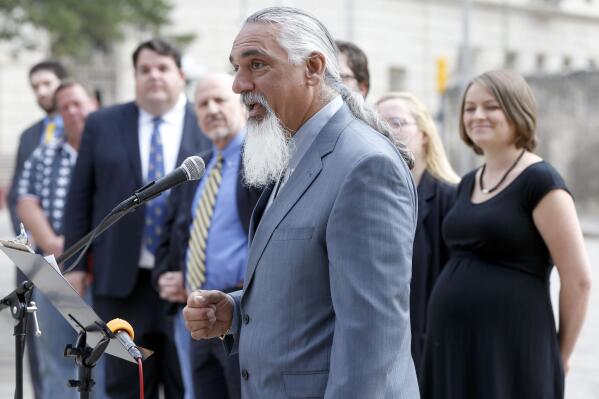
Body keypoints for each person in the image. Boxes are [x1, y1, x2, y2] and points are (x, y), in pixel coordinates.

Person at [184, 6, 420, 398]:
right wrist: (236, 312)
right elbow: (314, 294)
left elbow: (372, 342)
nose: (239, 85)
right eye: (236, 68)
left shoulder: (364, 166)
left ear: (312, 67)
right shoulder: (293, 151)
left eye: (256, 64)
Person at [422, 69, 592, 399]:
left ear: (517, 111)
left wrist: (562, 355)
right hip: (453, 345)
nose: (477, 115)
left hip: (513, 347)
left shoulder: (540, 181)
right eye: (470, 108)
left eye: (491, 106)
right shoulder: (469, 182)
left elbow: (579, 280)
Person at [64, 38, 211, 399]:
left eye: (162, 68)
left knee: (185, 383)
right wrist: (75, 264)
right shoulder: (103, 123)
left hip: (186, 282)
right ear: (134, 77)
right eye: (145, 70)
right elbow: (80, 194)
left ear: (180, 74)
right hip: (121, 280)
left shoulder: (206, 121)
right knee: (126, 384)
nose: (154, 77)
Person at [154, 73, 260, 399]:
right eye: (203, 104)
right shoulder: (198, 168)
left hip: (242, 314)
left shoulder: (260, 160)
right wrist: (173, 275)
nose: (211, 109)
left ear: (241, 105)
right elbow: (178, 231)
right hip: (199, 317)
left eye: (219, 100)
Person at [16, 80, 98, 399]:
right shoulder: (45, 154)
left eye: (78, 103)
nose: (73, 112)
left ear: (94, 104)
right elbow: (26, 200)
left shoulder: (110, 151)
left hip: (99, 274)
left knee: (102, 361)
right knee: (55, 359)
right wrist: (55, 244)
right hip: (52, 272)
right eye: (65, 107)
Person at [376, 92, 459, 385]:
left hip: (433, 348)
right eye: (377, 123)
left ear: (424, 135)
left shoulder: (451, 198)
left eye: (397, 122)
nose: (387, 131)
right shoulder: (369, 197)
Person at [7, 60, 68, 399]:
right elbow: (18, 193)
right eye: (35, 86)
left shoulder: (81, 127)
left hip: (67, 256)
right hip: (32, 258)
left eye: (46, 83)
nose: (41, 91)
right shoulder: (29, 135)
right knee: (35, 344)